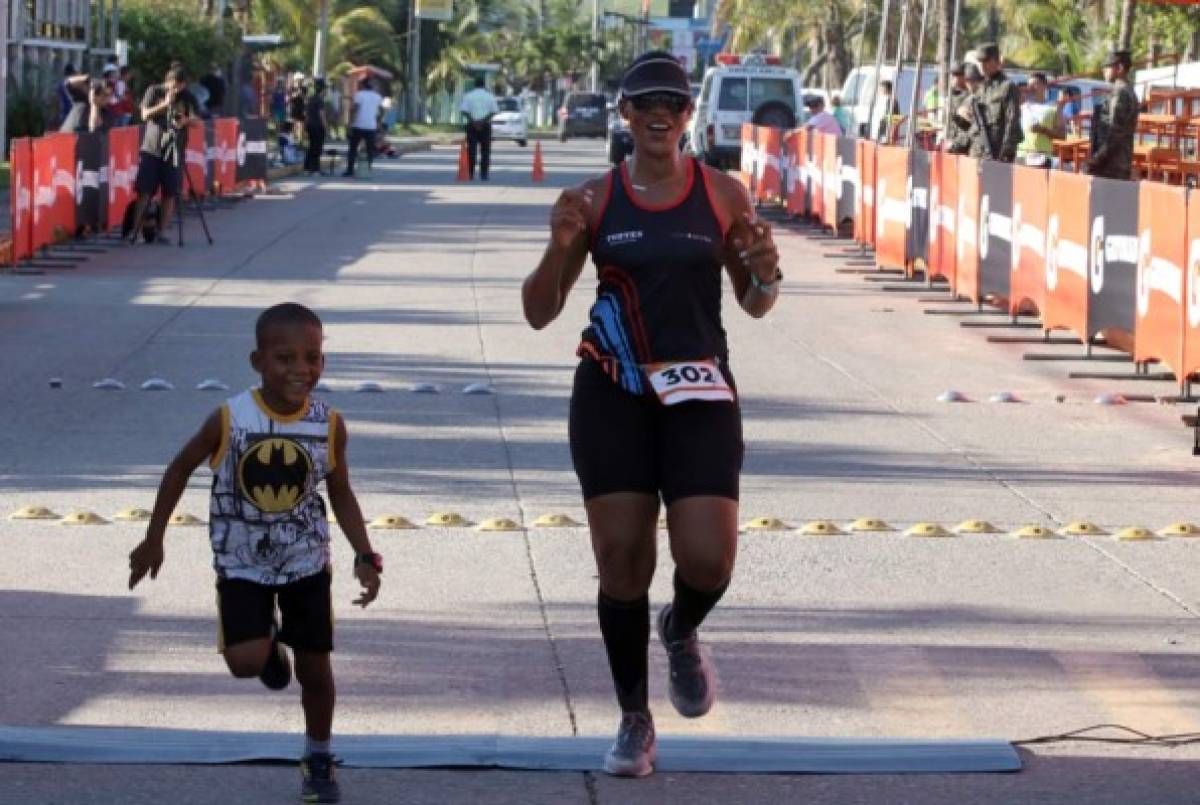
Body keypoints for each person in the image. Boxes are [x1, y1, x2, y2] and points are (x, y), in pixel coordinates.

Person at [521, 51, 781, 779]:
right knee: (623, 561)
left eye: (674, 99)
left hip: (698, 394)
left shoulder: (723, 193)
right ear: (626, 115)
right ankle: (635, 718)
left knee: (709, 558)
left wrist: (764, 269)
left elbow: (756, 302)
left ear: (688, 114)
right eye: (644, 101)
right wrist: (559, 246)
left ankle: (681, 624)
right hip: (613, 392)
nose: (660, 110)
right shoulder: (594, 200)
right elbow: (540, 312)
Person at [129, 302, 382, 805]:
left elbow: (342, 492)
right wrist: (154, 537)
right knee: (245, 664)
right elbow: (179, 468)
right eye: (285, 358)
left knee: (316, 669)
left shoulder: (328, 424)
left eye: (311, 358)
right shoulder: (231, 419)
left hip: (307, 561)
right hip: (242, 563)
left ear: (323, 363)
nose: (300, 369)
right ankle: (267, 642)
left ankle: (318, 757)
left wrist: (364, 553)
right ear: (257, 361)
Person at [128, 66, 200, 245]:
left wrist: (186, 121)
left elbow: (198, 121)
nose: (175, 90)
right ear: (167, 82)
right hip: (152, 148)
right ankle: (135, 232)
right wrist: (164, 104)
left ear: (183, 85)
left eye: (178, 86)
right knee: (144, 191)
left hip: (174, 150)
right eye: (172, 86)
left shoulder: (188, 98)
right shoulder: (154, 91)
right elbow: (144, 114)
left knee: (170, 192)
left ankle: (162, 231)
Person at [965, 42, 1023, 162]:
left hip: (997, 154)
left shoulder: (1007, 87)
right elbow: (970, 123)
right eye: (980, 62)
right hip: (977, 153)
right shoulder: (980, 89)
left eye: (986, 61)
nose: (982, 65)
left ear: (996, 61)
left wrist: (1005, 154)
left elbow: (1012, 122)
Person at [1089, 50, 1139, 181]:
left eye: (1108, 66)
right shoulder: (1129, 91)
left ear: (1120, 68)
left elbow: (1115, 131)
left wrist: (1097, 159)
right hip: (1120, 162)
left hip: (1110, 165)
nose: (1104, 70)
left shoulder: (1120, 92)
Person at [1016, 72, 1060, 167]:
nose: (1031, 88)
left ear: (1045, 86)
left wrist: (1043, 130)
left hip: (1042, 156)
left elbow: (1061, 135)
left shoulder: (1054, 107)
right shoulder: (1023, 106)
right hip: (1022, 154)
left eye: (1035, 84)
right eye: (1029, 85)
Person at [460, 76, 500, 181]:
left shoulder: (468, 96)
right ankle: (484, 174)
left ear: (475, 85)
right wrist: (483, 121)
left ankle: (470, 173)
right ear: (483, 86)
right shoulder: (490, 96)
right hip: (485, 125)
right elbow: (494, 111)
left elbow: (464, 111)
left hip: (472, 125)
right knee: (485, 151)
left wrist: (474, 121)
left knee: (471, 150)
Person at [343, 78, 383, 177]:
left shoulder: (359, 95)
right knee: (370, 150)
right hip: (371, 126)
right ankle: (367, 169)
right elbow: (381, 111)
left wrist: (349, 123)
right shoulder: (377, 97)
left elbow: (354, 109)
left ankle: (350, 170)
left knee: (353, 148)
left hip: (358, 125)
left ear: (363, 85)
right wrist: (378, 122)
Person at [944, 62, 972, 153]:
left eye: (958, 75)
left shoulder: (970, 97)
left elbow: (967, 126)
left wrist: (957, 144)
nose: (954, 78)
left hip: (963, 145)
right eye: (953, 75)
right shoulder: (951, 96)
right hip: (950, 142)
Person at [305, 79, 329, 176]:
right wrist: (326, 128)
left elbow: (307, 113)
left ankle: (307, 168)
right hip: (318, 126)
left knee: (311, 146)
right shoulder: (320, 100)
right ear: (323, 89)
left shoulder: (311, 98)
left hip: (310, 125)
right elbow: (322, 115)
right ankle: (315, 169)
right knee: (317, 148)